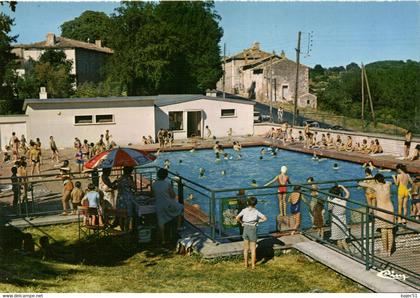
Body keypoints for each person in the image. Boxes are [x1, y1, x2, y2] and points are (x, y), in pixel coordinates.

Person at [359, 174, 394, 256]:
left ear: (376, 180)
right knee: (390, 231)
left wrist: (360, 182)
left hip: (381, 210)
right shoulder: (388, 184)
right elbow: (391, 182)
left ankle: (385, 250)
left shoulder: (375, 186)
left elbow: (361, 183)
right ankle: (389, 251)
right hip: (390, 209)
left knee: (383, 231)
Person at [152, 168, 184, 245]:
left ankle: (163, 240)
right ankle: (178, 226)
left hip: (159, 205)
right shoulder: (167, 184)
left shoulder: (154, 184)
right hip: (168, 205)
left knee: (161, 222)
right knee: (180, 207)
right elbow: (173, 196)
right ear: (166, 176)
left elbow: (153, 195)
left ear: (158, 175)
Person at [235, 196, 267, 269]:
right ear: (255, 204)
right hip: (253, 229)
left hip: (245, 228)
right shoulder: (256, 211)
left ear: (247, 203)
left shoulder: (244, 210)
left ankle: (246, 264)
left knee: (246, 248)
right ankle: (253, 265)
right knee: (253, 249)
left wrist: (242, 223)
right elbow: (265, 218)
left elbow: (237, 218)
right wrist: (258, 221)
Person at [328, 185, 350, 251]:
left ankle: (342, 254)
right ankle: (350, 255)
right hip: (343, 221)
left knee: (338, 240)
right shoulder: (344, 200)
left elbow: (329, 209)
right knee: (343, 240)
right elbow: (348, 193)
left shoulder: (333, 201)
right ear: (339, 193)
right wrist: (342, 186)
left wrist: (329, 200)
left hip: (336, 221)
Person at [115, 167, 137, 231]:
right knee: (128, 215)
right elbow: (134, 187)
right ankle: (127, 229)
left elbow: (116, 187)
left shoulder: (119, 178)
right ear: (129, 172)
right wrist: (132, 180)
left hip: (120, 198)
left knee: (121, 215)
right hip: (127, 198)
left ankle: (122, 229)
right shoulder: (128, 179)